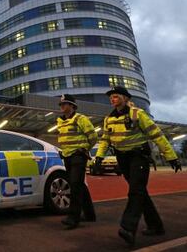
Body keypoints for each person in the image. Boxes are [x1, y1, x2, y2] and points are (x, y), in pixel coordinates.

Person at [95, 86, 182, 245]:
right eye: (111, 97)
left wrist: (171, 157)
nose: (112, 99)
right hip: (122, 158)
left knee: (136, 191)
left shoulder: (138, 115)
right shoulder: (109, 119)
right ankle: (156, 226)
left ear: (126, 98)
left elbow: (156, 135)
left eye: (115, 96)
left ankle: (128, 227)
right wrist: (99, 157)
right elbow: (105, 140)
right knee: (140, 192)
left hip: (138, 157)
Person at [57, 94, 97, 229]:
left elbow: (93, 136)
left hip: (78, 156)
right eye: (61, 104)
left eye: (65, 104)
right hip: (67, 156)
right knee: (79, 184)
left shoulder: (81, 119)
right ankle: (90, 214)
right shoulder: (60, 121)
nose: (62, 106)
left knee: (75, 185)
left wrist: (84, 149)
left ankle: (73, 217)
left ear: (72, 106)